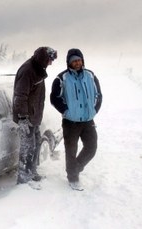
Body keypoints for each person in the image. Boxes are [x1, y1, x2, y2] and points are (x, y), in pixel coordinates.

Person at [50, 48, 102, 190]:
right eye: (74, 61)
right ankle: (73, 178)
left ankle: (75, 168)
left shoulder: (90, 76)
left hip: (88, 120)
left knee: (91, 148)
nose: (77, 63)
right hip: (70, 122)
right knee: (71, 151)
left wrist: (94, 110)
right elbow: (54, 98)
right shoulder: (62, 78)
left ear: (82, 60)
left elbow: (99, 95)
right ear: (69, 63)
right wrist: (66, 111)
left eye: (79, 60)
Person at [13, 46, 57, 184]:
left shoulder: (38, 69)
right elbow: (20, 96)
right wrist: (23, 118)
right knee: (27, 147)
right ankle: (23, 177)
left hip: (34, 117)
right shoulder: (28, 71)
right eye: (50, 60)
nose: (51, 63)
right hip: (26, 118)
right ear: (44, 59)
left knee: (36, 144)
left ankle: (31, 172)